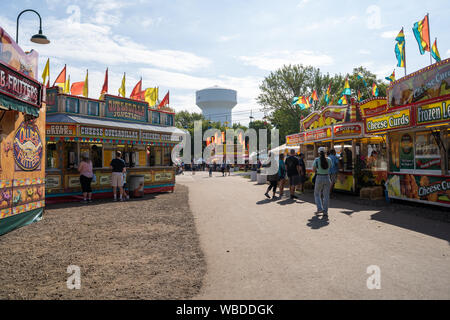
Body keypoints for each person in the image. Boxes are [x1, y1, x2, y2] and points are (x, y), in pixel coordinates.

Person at [313, 147, 332, 218]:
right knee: (326, 196)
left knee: (317, 194)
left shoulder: (317, 160)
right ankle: (325, 212)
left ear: (318, 152)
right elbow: (330, 167)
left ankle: (320, 208)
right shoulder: (329, 159)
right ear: (325, 152)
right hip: (327, 177)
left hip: (319, 177)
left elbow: (313, 169)